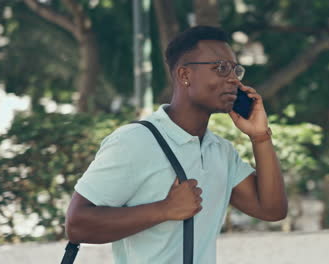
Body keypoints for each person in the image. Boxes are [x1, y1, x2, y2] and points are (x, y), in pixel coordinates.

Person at [65, 25, 288, 264]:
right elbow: (77, 224)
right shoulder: (134, 141)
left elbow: (272, 210)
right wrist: (165, 209)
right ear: (184, 75)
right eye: (221, 68)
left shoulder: (220, 151)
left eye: (236, 69)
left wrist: (261, 137)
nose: (233, 79)